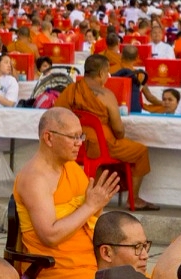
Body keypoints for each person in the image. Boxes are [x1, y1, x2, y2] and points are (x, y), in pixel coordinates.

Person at [12, 107, 123, 279]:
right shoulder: (35, 179)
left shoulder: (71, 168)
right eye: (73, 137)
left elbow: (86, 219)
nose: (79, 143)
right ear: (49, 138)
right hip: (56, 272)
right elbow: (50, 235)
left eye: (81, 136)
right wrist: (90, 206)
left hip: (88, 261)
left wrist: (97, 204)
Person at [57, 53, 154, 208]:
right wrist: (119, 136)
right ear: (101, 73)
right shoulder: (106, 95)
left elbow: (57, 115)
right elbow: (119, 130)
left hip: (76, 145)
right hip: (103, 145)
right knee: (141, 152)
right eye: (107, 72)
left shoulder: (71, 90)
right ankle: (134, 199)